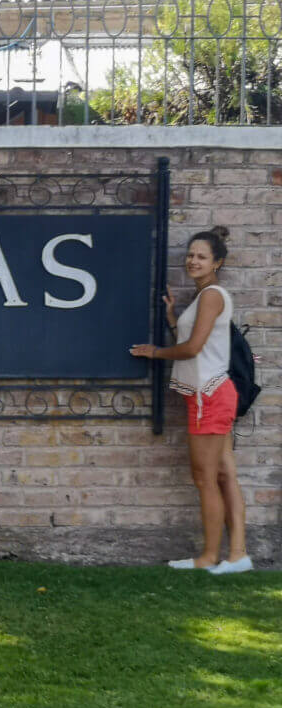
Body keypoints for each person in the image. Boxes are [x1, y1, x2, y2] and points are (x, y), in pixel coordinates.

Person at [129, 226, 252, 575]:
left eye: (201, 256)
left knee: (205, 478)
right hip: (210, 395)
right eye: (191, 255)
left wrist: (156, 352)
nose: (193, 261)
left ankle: (209, 557)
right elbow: (197, 342)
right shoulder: (203, 298)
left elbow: (193, 349)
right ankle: (238, 555)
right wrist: (173, 318)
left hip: (209, 397)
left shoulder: (212, 295)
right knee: (224, 475)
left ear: (218, 262)